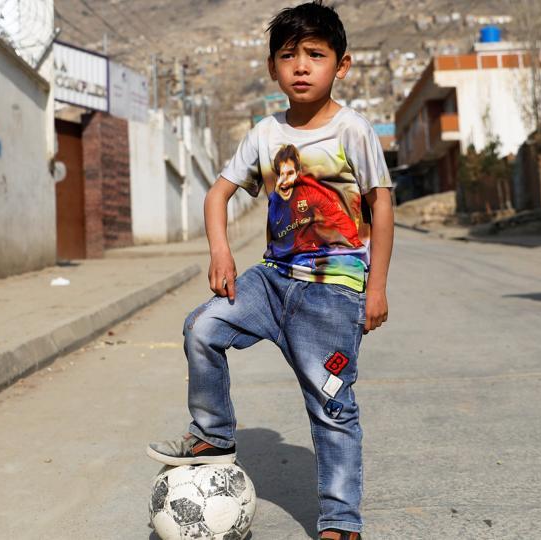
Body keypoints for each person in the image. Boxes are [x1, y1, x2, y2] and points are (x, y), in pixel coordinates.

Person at [146, 2, 393, 538]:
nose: (301, 66)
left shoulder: (353, 131)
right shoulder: (264, 134)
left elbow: (382, 205)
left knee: (331, 406)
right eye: (289, 56)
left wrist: (376, 288)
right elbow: (218, 194)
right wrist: (220, 251)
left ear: (341, 65)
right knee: (202, 328)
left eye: (315, 55)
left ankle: (340, 520)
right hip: (272, 280)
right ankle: (212, 434)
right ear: (272, 68)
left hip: (332, 294)